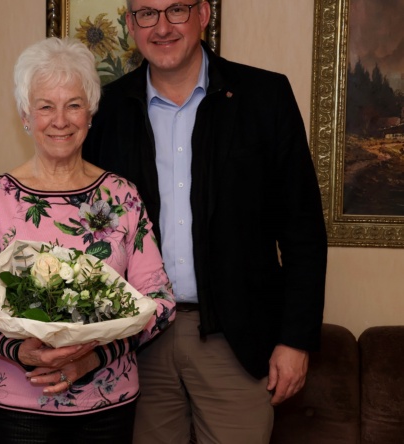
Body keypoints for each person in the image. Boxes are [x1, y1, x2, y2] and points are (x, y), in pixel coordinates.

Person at [82, 1, 329, 443]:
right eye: (146, 13)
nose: (161, 27)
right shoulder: (108, 110)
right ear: (129, 23)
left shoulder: (264, 97)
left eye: (175, 9)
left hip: (234, 341)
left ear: (203, 13)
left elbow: (302, 230)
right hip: (137, 344)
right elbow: (89, 230)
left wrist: (295, 340)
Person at [0, 37, 176, 444]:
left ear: (91, 113)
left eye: (73, 104)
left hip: (108, 401)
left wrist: (93, 357)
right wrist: (21, 351)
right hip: (20, 403)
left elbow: (160, 301)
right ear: (25, 115)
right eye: (45, 106)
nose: (60, 119)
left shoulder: (122, 196)